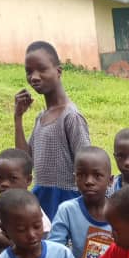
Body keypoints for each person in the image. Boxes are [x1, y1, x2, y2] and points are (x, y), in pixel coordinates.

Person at [13, 40, 90, 219]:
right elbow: (25, 161)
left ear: (58, 71)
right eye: (29, 71)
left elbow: (88, 167)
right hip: (42, 201)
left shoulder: (71, 117)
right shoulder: (41, 117)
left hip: (66, 203)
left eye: (41, 69)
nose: (34, 77)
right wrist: (18, 118)